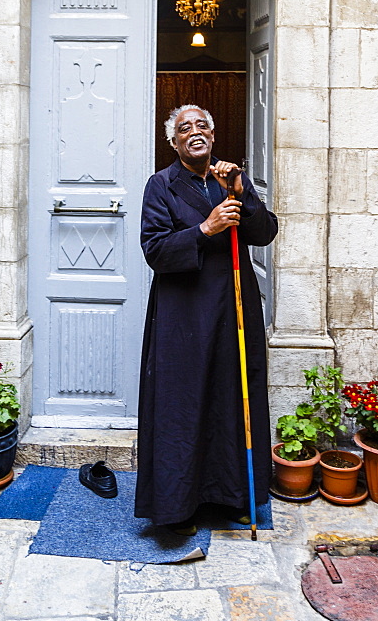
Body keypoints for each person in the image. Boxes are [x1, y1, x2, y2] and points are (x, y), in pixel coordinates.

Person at [135, 103, 278, 532]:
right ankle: (178, 506)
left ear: (212, 136)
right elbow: (155, 250)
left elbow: (264, 231)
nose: (194, 132)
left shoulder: (230, 179)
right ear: (174, 141)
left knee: (231, 399)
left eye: (202, 125)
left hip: (232, 309)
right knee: (182, 404)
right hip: (182, 314)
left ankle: (233, 496)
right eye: (184, 128)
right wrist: (204, 229)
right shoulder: (160, 186)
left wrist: (241, 191)